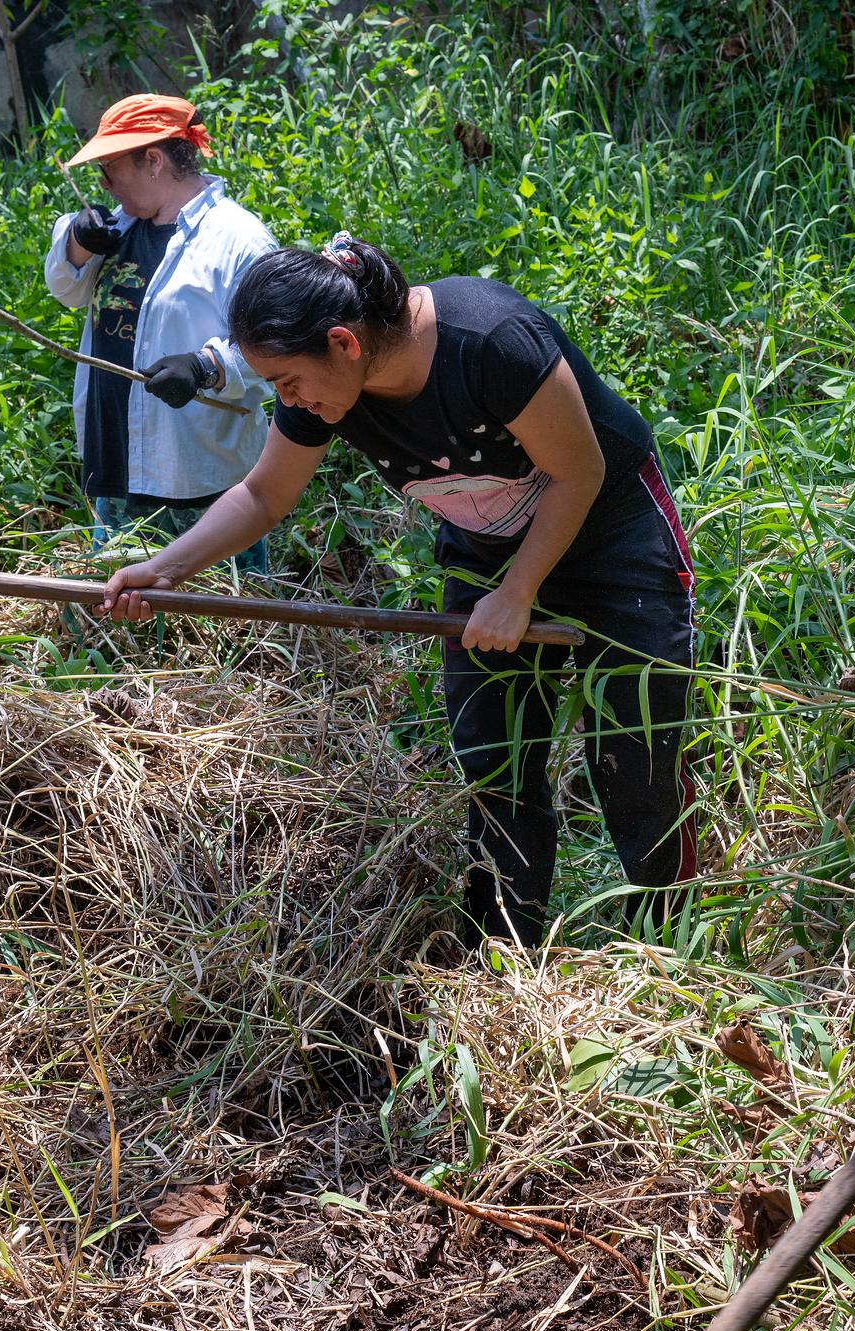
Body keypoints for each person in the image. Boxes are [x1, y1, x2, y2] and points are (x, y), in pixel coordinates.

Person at [97, 234, 699, 943]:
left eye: (288, 381)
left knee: (639, 758)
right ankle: (502, 955)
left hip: (610, 535)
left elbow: (580, 470)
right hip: (486, 553)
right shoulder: (326, 393)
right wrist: (164, 568)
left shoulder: (491, 340)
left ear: (345, 343)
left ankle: (672, 951)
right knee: (494, 759)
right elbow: (263, 496)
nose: (287, 400)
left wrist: (519, 591)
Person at [42, 93, 275, 569]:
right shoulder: (118, 229)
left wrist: (207, 366)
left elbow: (278, 347)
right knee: (124, 623)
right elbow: (65, 288)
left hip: (200, 481)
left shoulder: (239, 240)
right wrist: (77, 243)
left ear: (153, 160)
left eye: (110, 170)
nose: (104, 186)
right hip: (115, 466)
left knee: (229, 629)